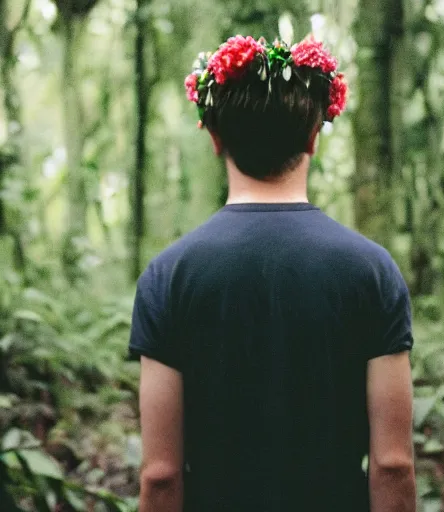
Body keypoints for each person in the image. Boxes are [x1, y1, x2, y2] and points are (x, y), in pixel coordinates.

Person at [129, 35, 416, 512]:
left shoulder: (168, 276)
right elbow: (392, 464)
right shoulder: (372, 270)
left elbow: (160, 475)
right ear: (312, 138)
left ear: (216, 139)